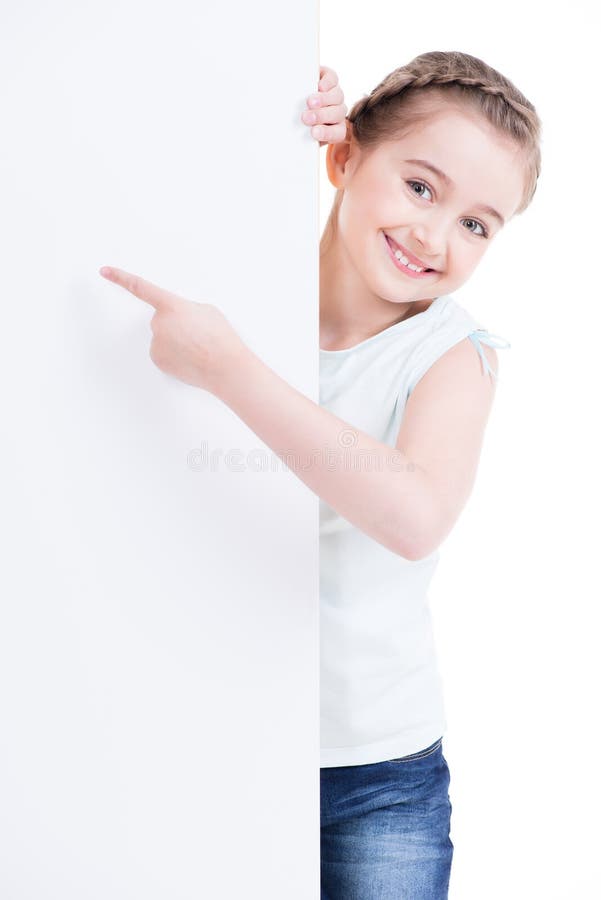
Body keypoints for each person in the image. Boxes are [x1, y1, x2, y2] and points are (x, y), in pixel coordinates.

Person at [99, 50, 542, 900]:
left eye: (476, 224)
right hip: (205, 740)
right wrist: (274, 100)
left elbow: (414, 517)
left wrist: (231, 371)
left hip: (377, 776)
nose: (433, 236)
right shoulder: (239, 294)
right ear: (342, 159)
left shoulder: (451, 355)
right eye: (419, 187)